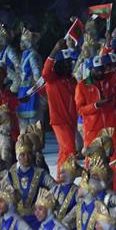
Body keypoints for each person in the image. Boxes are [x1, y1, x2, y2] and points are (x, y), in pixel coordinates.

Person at [43, 41, 79, 170]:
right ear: (59, 65)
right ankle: (63, 178)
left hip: (71, 121)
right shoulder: (52, 79)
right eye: (67, 63)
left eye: (70, 63)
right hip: (59, 121)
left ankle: (60, 179)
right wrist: (55, 50)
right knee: (70, 150)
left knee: (65, 151)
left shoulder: (72, 80)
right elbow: (45, 72)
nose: (70, 66)